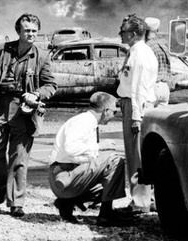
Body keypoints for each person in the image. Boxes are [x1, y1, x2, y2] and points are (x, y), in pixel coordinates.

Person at [0, 13, 56, 217]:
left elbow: (51, 85)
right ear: (18, 31)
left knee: (19, 157)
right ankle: (4, 185)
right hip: (0, 105)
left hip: (25, 110)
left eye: (34, 31)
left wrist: (36, 94)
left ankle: (16, 202)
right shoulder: (2, 50)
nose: (31, 34)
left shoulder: (42, 56)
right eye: (27, 30)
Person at [47, 91, 129, 225]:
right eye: (114, 112)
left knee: (110, 182)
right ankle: (106, 215)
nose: (114, 116)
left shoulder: (87, 121)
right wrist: (99, 146)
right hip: (64, 176)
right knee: (115, 160)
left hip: (67, 174)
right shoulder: (84, 122)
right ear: (106, 110)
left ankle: (67, 203)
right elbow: (70, 149)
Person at [116, 13, 158, 197]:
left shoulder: (139, 55)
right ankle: (143, 199)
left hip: (135, 106)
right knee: (137, 155)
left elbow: (138, 88)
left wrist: (135, 116)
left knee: (136, 156)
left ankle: (139, 202)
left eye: (122, 31)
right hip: (133, 104)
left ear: (133, 34)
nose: (120, 35)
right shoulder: (137, 51)